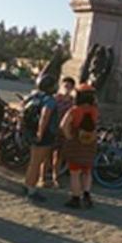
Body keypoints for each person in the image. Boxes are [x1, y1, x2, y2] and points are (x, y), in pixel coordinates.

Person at [59, 83, 98, 208]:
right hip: (90, 142)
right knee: (87, 171)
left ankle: (75, 198)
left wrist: (69, 136)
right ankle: (87, 195)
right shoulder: (94, 110)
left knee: (75, 172)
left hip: (77, 142)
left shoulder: (74, 110)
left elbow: (63, 125)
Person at [22, 73, 59, 202]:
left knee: (33, 161)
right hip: (44, 134)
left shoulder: (33, 96)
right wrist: (40, 132)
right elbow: (45, 116)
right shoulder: (49, 100)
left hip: (31, 131)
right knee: (37, 163)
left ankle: (27, 184)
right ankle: (32, 189)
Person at [46, 76, 76, 188]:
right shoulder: (55, 98)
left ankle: (55, 177)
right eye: (65, 86)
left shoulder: (73, 102)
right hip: (52, 129)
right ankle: (43, 177)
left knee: (59, 156)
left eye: (69, 86)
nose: (67, 89)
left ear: (73, 88)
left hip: (63, 131)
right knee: (46, 154)